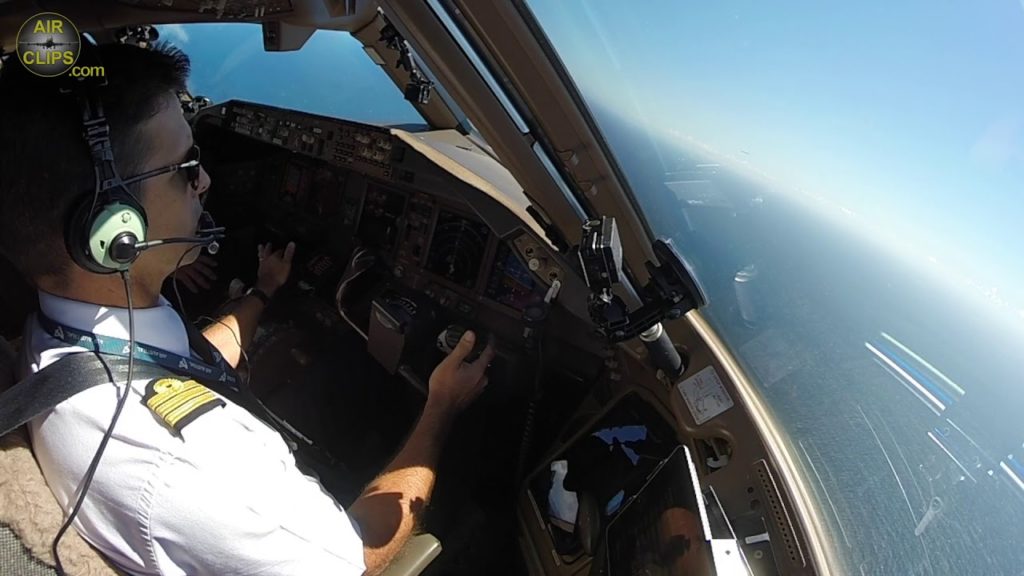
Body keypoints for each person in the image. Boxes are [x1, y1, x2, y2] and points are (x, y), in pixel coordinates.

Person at [0, 42, 494, 575]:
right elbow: (359, 556)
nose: (205, 180)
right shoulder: (192, 468)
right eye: (184, 169)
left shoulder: (56, 339)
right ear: (112, 231)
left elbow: (171, 370)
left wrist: (260, 294)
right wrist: (441, 406)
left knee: (327, 364)